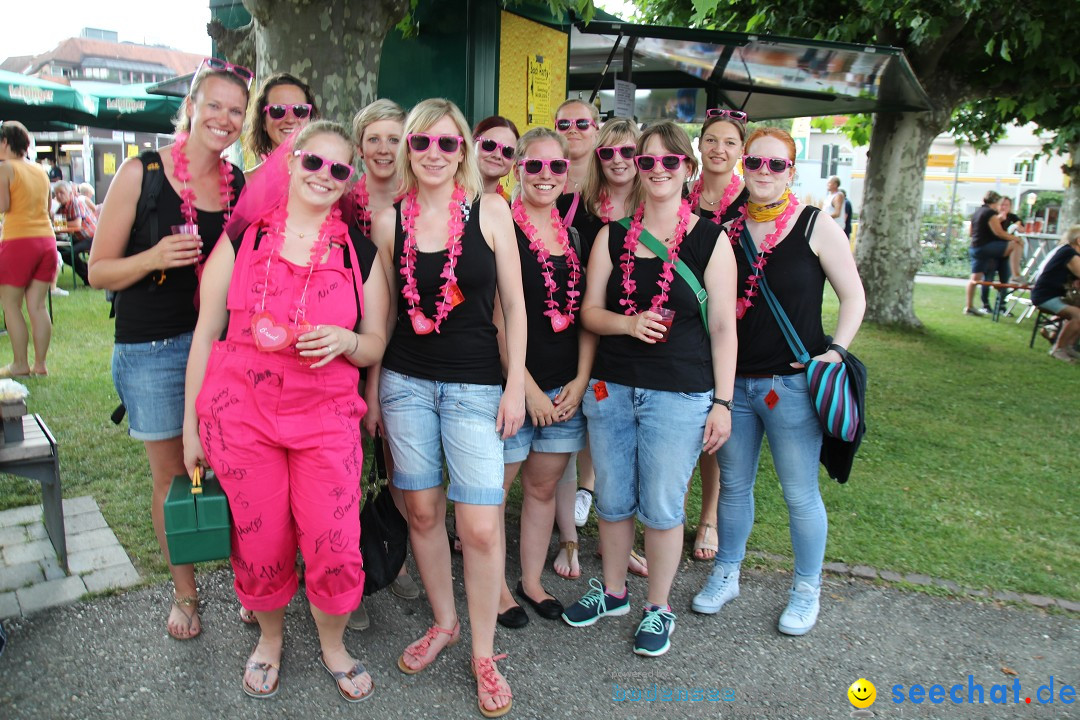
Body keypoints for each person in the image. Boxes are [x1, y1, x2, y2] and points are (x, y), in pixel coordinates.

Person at [183, 120, 387, 702]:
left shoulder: (357, 251)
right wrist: (190, 425)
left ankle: (333, 643)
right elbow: (205, 333)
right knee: (261, 538)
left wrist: (347, 343)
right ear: (292, 162)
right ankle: (269, 638)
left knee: (334, 538)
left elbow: (374, 341)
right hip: (241, 416)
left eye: (338, 169)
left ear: (349, 180)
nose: (324, 175)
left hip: (325, 416)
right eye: (314, 162)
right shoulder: (242, 238)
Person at [370, 98, 525, 718]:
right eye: (421, 143)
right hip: (405, 384)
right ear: (408, 150)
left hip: (475, 387)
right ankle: (445, 623)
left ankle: (484, 654)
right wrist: (371, 393)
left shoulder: (489, 210)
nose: (433, 155)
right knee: (423, 511)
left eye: (447, 144)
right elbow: (378, 318)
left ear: (463, 150)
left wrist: (516, 384)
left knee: (481, 526)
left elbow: (513, 308)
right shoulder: (389, 222)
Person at [561, 120, 737, 659]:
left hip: (679, 394)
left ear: (688, 168)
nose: (658, 169)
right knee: (612, 500)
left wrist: (723, 403)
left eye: (670, 161)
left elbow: (725, 327)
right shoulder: (612, 235)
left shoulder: (711, 239)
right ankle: (613, 593)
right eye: (648, 161)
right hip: (612, 389)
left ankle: (657, 608)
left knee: (662, 507)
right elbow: (590, 312)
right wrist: (629, 323)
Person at [88, 57, 249, 640]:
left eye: (236, 110)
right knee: (170, 475)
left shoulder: (239, 185)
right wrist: (154, 257)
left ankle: (245, 580)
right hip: (151, 348)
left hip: (222, 345)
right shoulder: (142, 172)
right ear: (192, 108)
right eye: (214, 106)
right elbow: (97, 271)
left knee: (233, 469)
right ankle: (185, 592)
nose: (224, 119)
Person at [692, 127, 865, 636]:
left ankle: (806, 589)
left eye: (777, 165)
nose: (764, 173)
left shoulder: (815, 224)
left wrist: (836, 352)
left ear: (792, 170)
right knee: (735, 490)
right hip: (734, 387)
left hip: (792, 387)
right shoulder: (725, 227)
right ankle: (727, 573)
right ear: (743, 166)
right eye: (756, 163)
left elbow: (853, 297)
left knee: (798, 493)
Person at [494, 128, 593, 630]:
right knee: (494, 492)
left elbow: (580, 316)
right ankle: (492, 589)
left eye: (556, 167)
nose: (546, 176)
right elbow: (497, 319)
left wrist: (578, 382)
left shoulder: (573, 236)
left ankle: (530, 581)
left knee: (541, 489)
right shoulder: (501, 228)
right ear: (518, 170)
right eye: (534, 166)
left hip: (563, 390)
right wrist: (526, 387)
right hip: (513, 388)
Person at [555, 117, 650, 580]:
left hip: (639, 341)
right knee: (567, 443)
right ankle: (569, 541)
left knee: (624, 452)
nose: (617, 161)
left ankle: (621, 543)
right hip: (579, 330)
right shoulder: (575, 207)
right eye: (607, 152)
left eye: (628, 152)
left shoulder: (661, 206)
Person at [346, 97, 416, 631]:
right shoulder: (342, 199)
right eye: (375, 138)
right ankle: (353, 571)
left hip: (407, 343)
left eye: (396, 138)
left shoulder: (421, 199)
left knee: (400, 463)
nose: (385, 148)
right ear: (360, 143)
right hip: (346, 340)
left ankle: (391, 552)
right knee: (350, 464)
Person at [686, 108, 750, 561]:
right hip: (685, 323)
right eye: (711, 140)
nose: (719, 149)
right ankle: (667, 515)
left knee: (713, 427)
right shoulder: (680, 192)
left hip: (733, 320)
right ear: (700, 144)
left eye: (729, 142)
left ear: (741, 151)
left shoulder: (751, 198)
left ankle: (708, 517)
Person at [0, 121, 56, 378]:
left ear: (4, 142)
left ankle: (20, 364)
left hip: (18, 239)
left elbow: (3, 205)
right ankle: (40, 365)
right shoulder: (40, 171)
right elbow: (47, 206)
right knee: (38, 305)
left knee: (11, 305)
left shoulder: (6, 168)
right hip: (46, 240)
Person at [964, 190, 1023, 316]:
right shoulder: (990, 213)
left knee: (975, 278)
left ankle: (969, 306)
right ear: (996, 202)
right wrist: (1014, 238)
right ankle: (1016, 275)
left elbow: (970, 232)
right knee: (1015, 245)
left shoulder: (977, 212)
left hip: (975, 247)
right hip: (986, 247)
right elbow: (999, 232)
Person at [244, 72, 320, 163]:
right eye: (278, 110)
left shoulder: (327, 175)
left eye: (300, 110)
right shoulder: (245, 177)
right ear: (263, 121)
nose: (290, 119)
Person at [1030, 225, 1080, 363]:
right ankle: (1058, 349)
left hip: (1054, 295)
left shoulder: (1068, 251)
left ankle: (1068, 346)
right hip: (1045, 297)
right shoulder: (1070, 254)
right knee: (1077, 315)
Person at [53, 180, 97, 286]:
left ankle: (88, 277)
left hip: (91, 237)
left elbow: (77, 224)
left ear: (70, 193)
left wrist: (60, 225)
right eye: (56, 193)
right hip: (77, 238)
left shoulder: (76, 203)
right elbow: (57, 225)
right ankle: (88, 274)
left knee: (69, 254)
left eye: (61, 193)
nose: (58, 196)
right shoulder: (61, 208)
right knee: (60, 250)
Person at [473, 116, 520, 199]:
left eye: (508, 151)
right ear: (472, 144)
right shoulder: (446, 195)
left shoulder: (510, 206)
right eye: (489, 145)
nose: (497, 155)